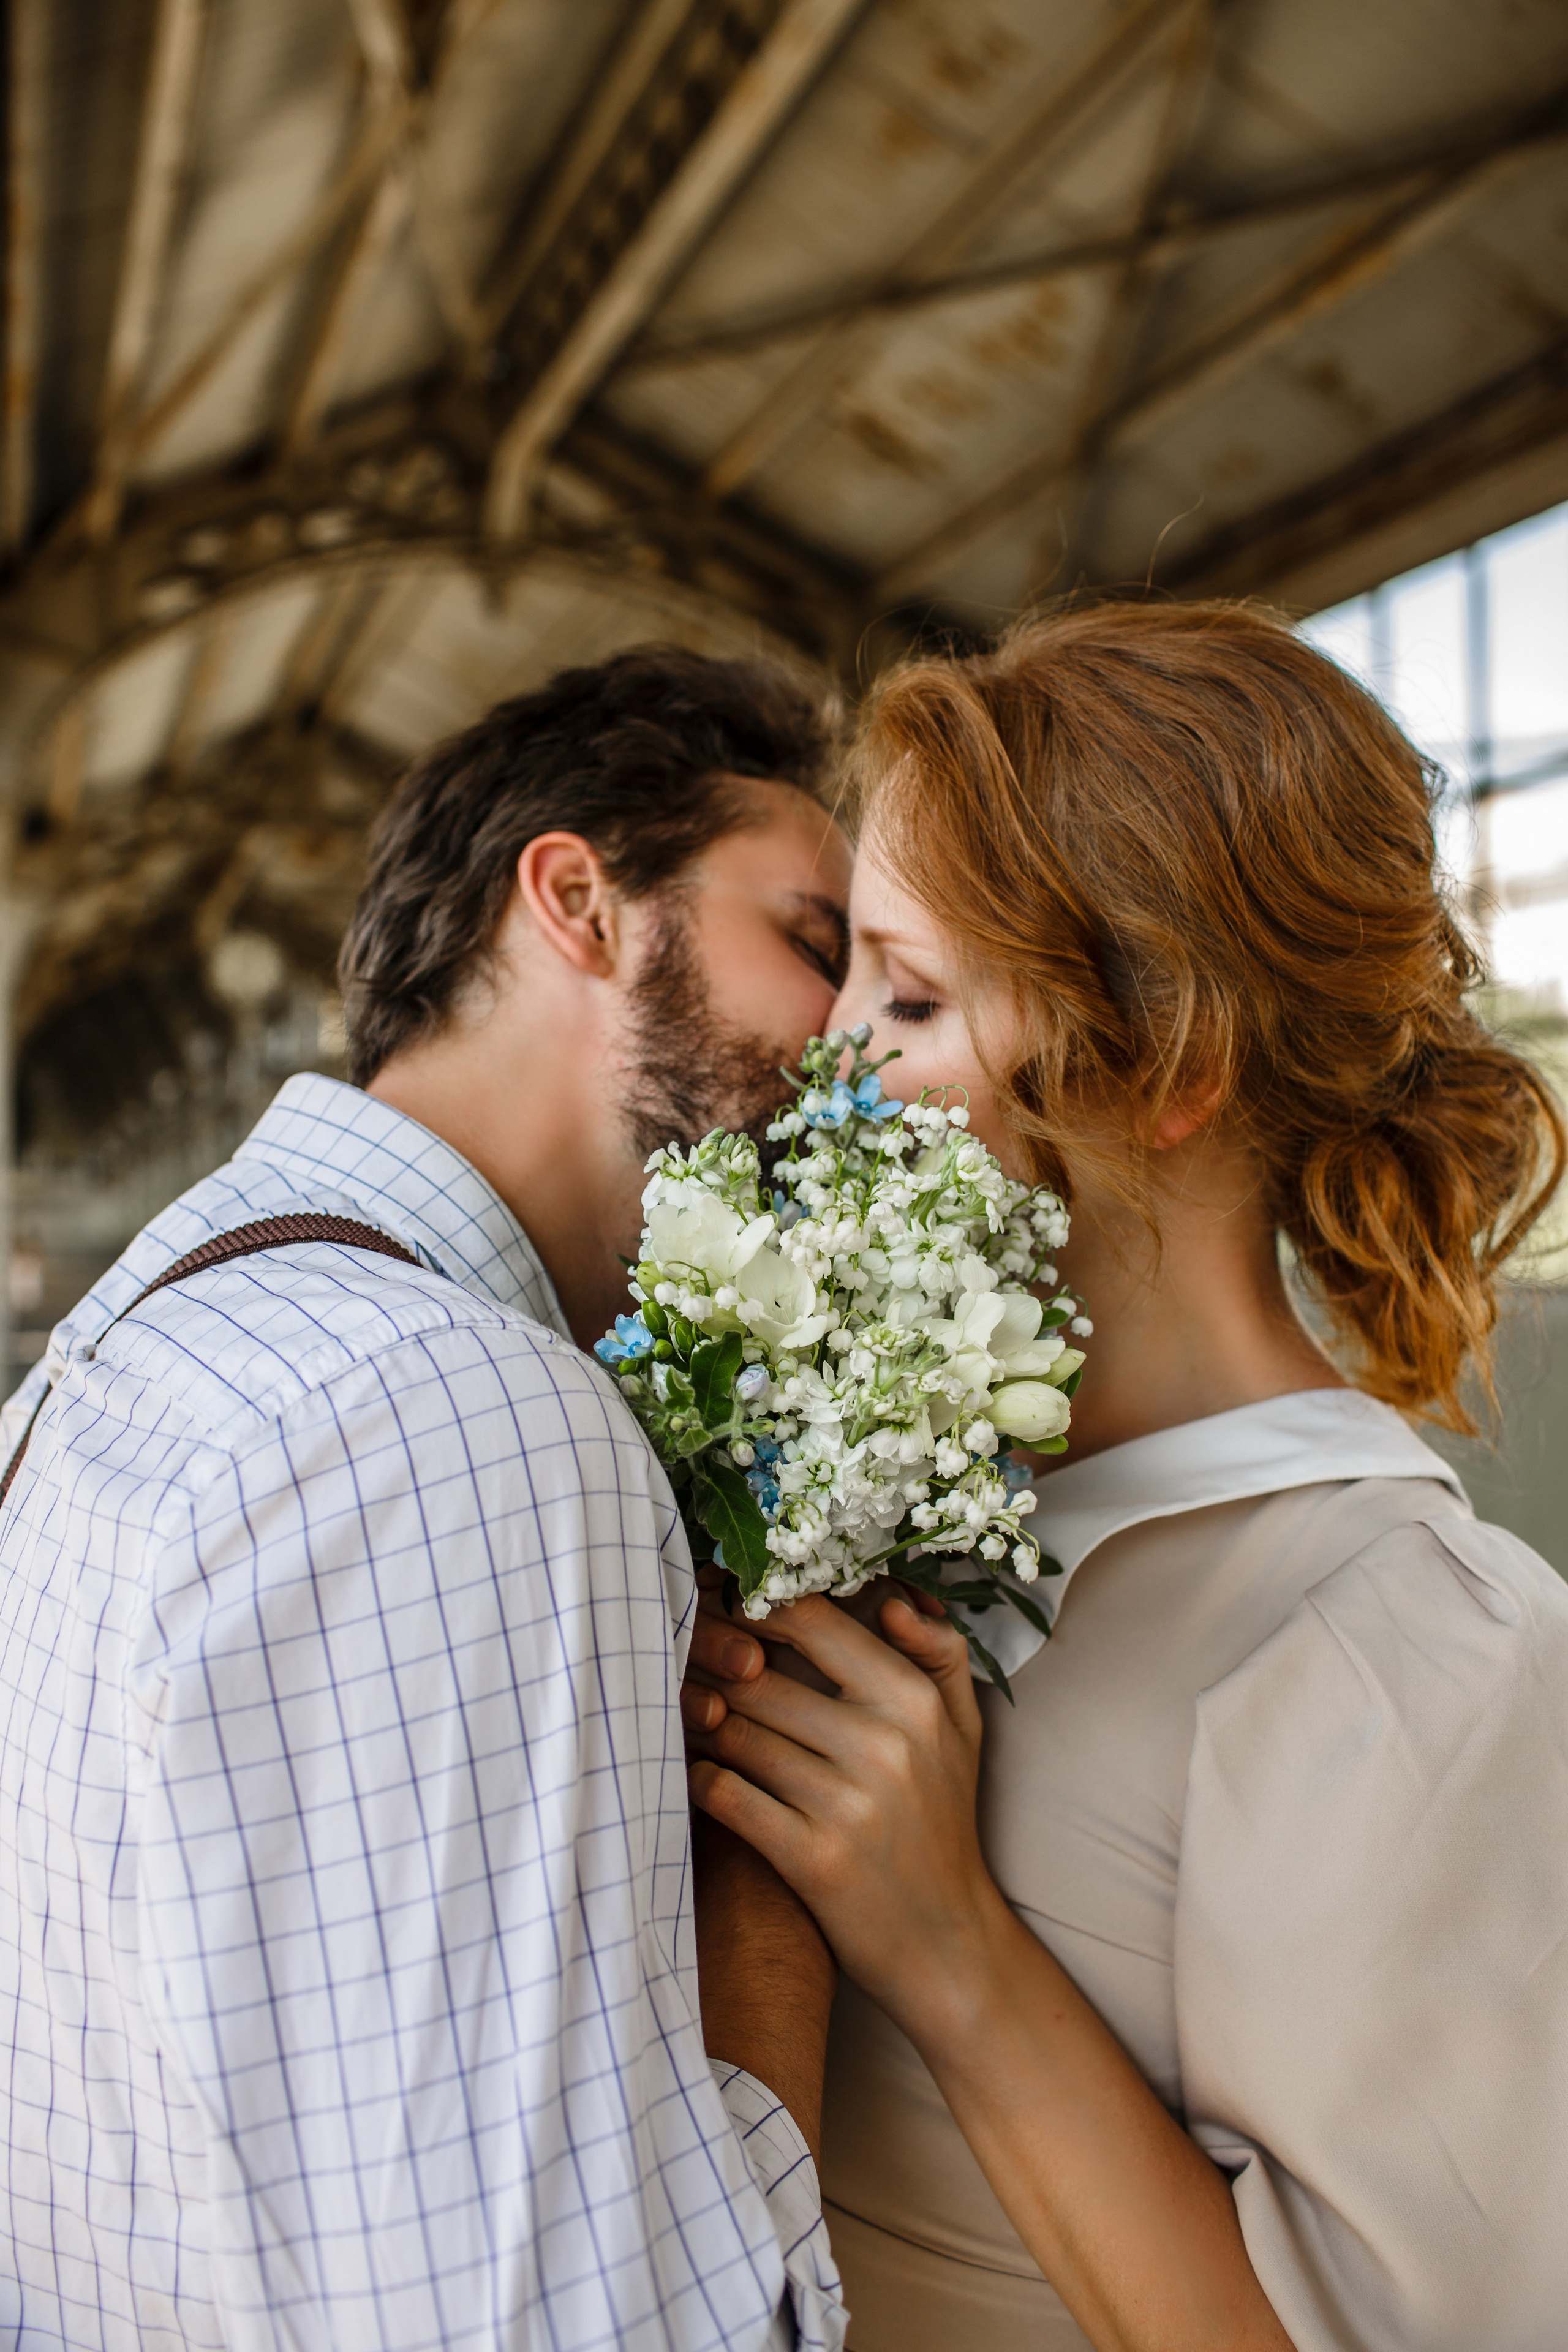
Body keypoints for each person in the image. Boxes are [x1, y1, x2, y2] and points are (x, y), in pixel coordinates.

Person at [682, 601, 1568, 2352]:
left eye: (913, 993)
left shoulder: (1410, 1654)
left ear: (1164, 1073)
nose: (828, 1052)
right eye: (848, 963)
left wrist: (952, 1952)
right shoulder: (883, 1491)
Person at [0, 645, 853, 2351]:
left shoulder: (129, 1346)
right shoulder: (469, 1412)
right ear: (579, 903)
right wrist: (777, 1886)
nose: (854, 1047)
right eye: (816, 947)